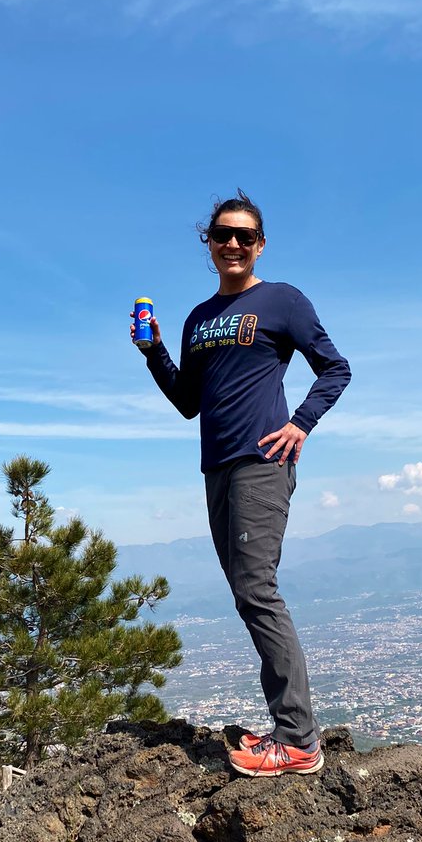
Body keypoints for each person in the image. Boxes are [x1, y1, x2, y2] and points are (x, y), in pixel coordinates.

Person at [133, 190, 351, 777]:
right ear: (208, 242)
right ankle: (290, 728)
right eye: (222, 235)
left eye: (244, 236)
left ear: (260, 244)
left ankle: (298, 740)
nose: (232, 244)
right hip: (217, 465)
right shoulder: (197, 320)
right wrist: (154, 352)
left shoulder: (283, 301)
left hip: (261, 460)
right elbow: (188, 403)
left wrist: (300, 424)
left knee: (257, 590)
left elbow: (336, 368)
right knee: (245, 593)